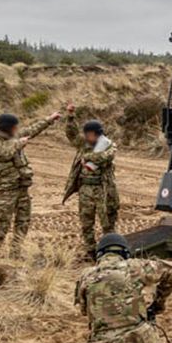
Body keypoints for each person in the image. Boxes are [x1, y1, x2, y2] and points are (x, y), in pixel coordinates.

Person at [0, 110, 61, 256]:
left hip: (22, 187)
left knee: (23, 221)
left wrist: (49, 120)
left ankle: (15, 252)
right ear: (8, 128)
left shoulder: (13, 137)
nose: (17, 129)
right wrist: (19, 144)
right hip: (6, 189)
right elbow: (3, 153)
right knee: (2, 224)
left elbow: (31, 130)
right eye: (15, 127)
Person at [61, 104, 120, 254]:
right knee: (86, 222)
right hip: (85, 189)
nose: (87, 137)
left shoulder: (109, 146)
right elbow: (72, 134)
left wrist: (86, 157)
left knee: (107, 222)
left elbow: (103, 158)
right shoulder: (84, 144)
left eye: (89, 134)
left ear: (97, 134)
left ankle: (110, 250)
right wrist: (70, 116)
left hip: (103, 189)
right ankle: (90, 250)